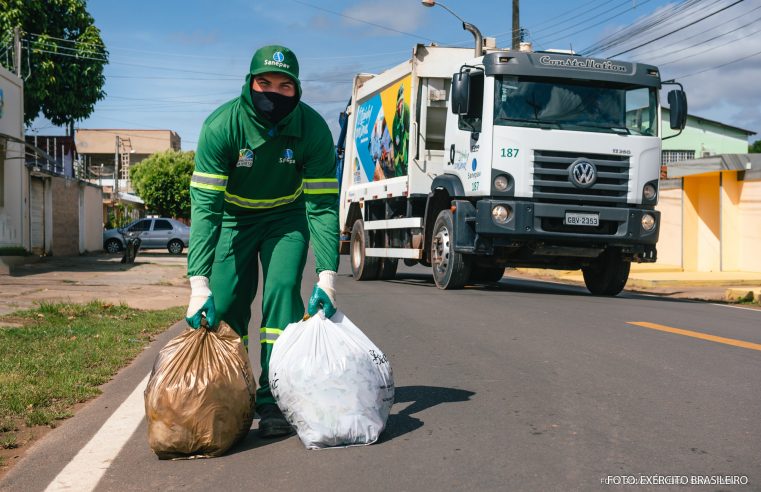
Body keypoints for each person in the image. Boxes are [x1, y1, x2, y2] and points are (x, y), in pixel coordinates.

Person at [185, 45, 340, 438]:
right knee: (228, 302)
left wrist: (327, 277)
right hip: (233, 218)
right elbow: (205, 207)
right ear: (249, 83)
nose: (273, 92)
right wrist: (198, 284)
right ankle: (233, 397)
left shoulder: (313, 129)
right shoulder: (222, 127)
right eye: (264, 82)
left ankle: (274, 399)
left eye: (284, 85)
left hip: (284, 219)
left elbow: (321, 206)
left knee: (283, 293)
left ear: (297, 89)